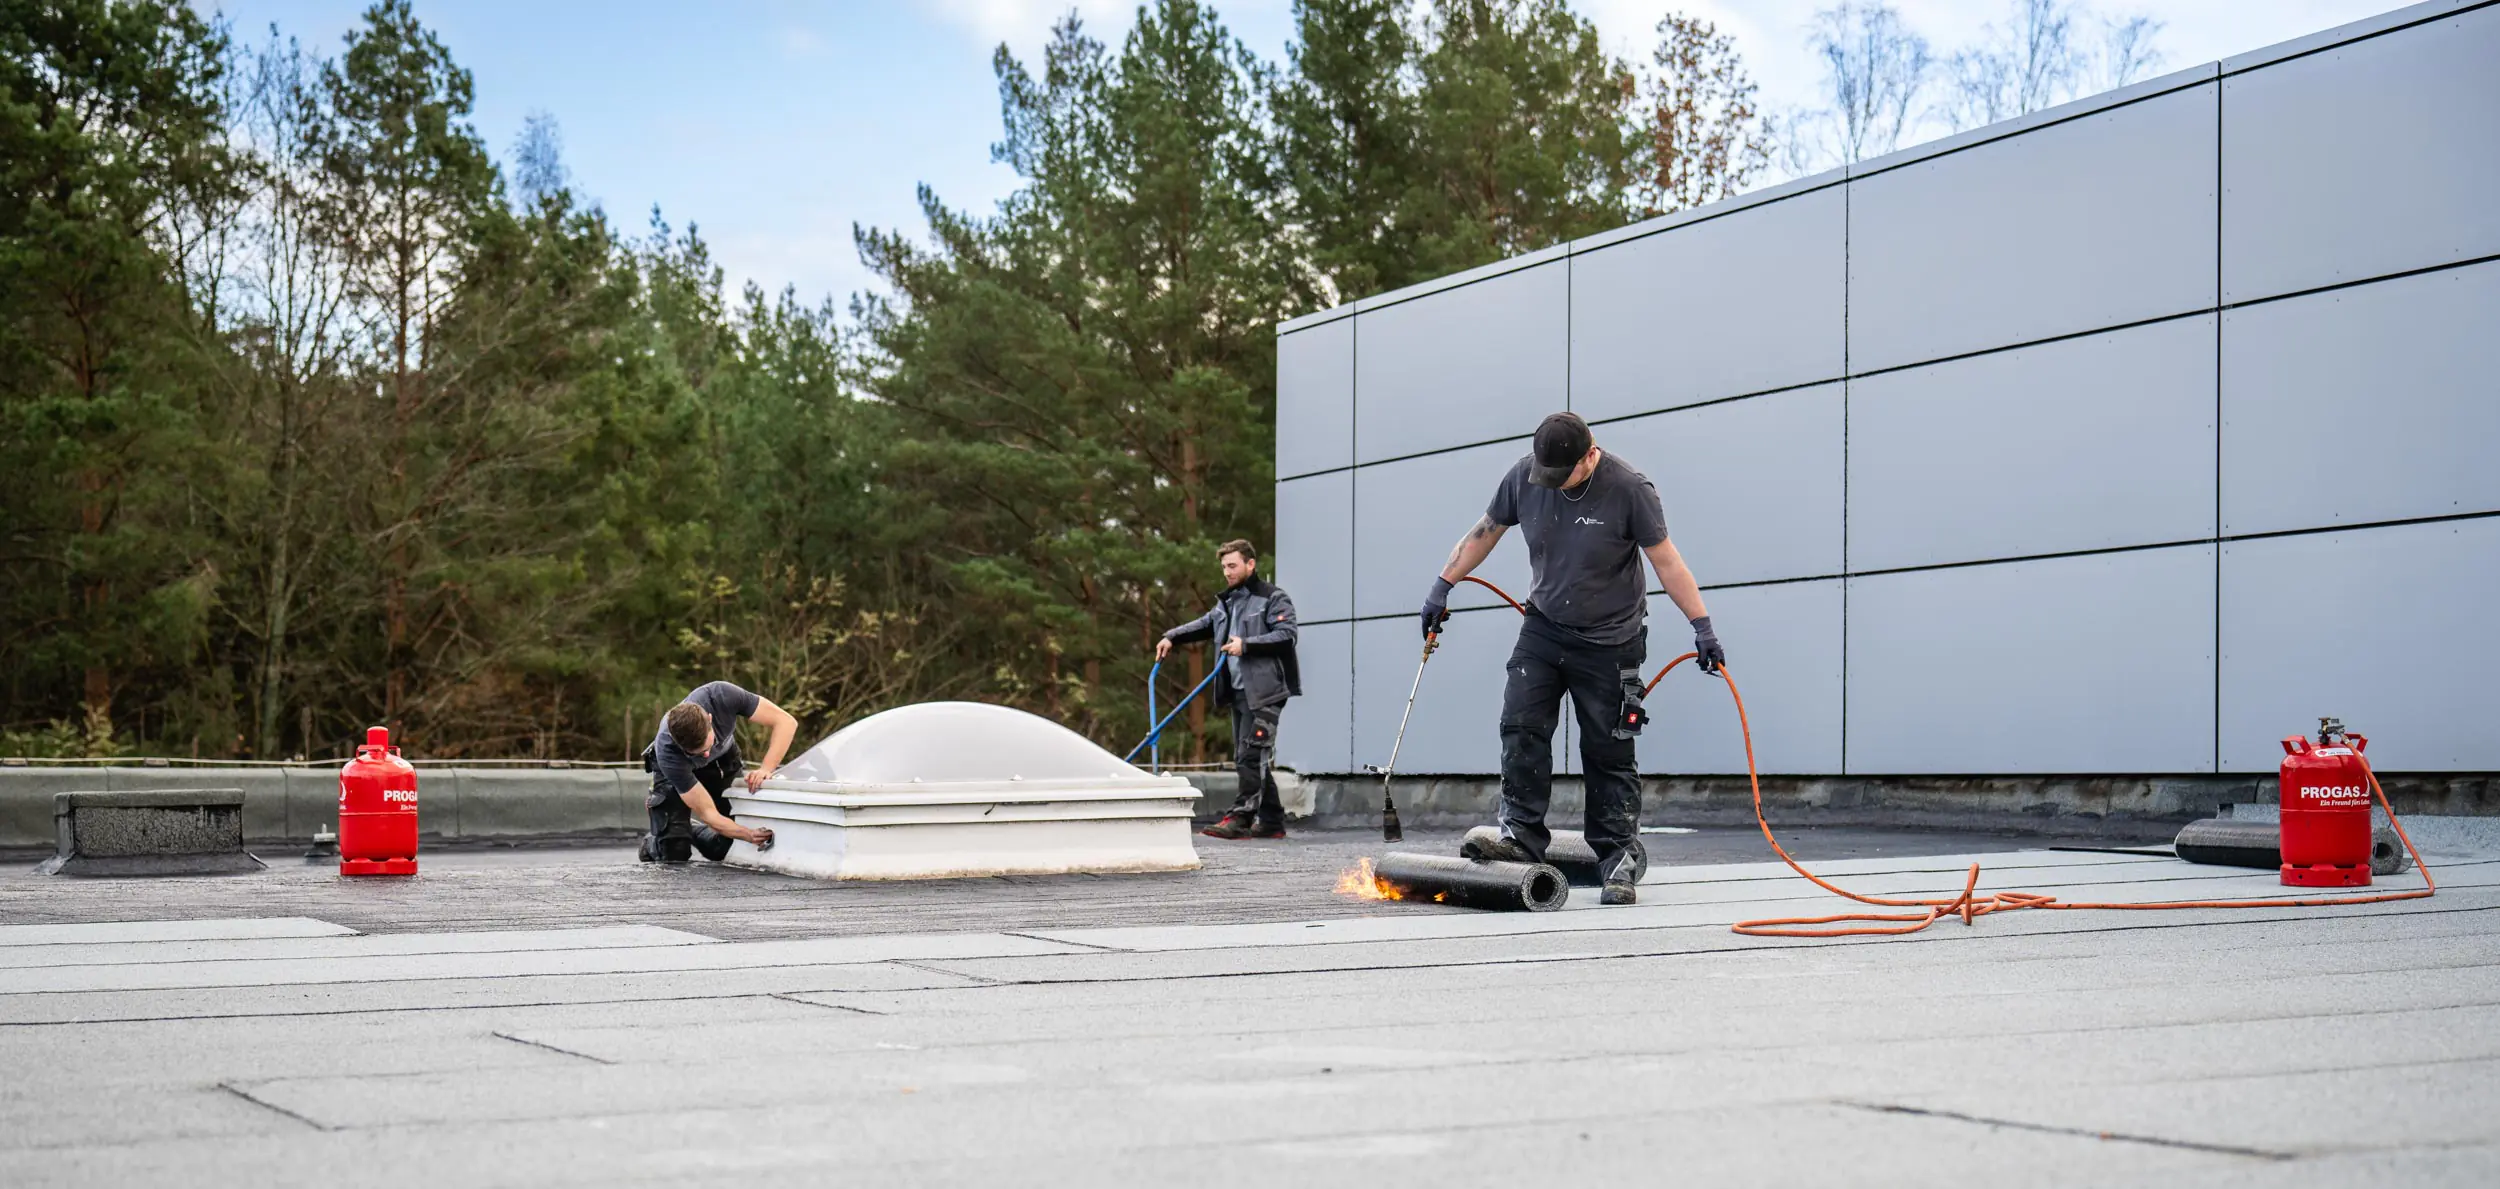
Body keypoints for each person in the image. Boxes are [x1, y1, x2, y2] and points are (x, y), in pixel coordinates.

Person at [1421, 412, 1724, 905]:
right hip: (1543, 628)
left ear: (1590, 454)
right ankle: (1521, 838)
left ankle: (1617, 855)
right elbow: (1487, 529)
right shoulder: (1525, 474)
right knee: (1521, 725)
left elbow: (1666, 560)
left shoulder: (1629, 489)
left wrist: (1702, 627)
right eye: (1548, 476)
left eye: (1566, 475)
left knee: (1608, 749)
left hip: (1611, 641)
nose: (1555, 484)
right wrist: (1442, 585)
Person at [1158, 539, 1301, 840]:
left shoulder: (1273, 598)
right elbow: (1203, 625)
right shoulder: (1228, 603)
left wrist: (1246, 645)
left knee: (1250, 755)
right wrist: (1171, 636)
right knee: (1250, 755)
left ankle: (1241, 818)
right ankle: (1272, 821)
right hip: (1238, 693)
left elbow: (1286, 636)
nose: (1227, 572)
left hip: (1267, 691)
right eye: (1224, 567)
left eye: (1232, 565)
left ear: (1251, 564)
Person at [639, 680, 797, 863]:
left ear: (710, 719)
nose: (706, 755)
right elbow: (708, 814)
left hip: (723, 760)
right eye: (698, 753)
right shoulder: (668, 753)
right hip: (677, 770)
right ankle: (657, 839)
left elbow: (786, 722)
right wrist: (748, 835)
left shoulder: (722, 696)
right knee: (674, 852)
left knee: (724, 848)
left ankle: (688, 827)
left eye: (708, 745)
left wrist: (766, 768)